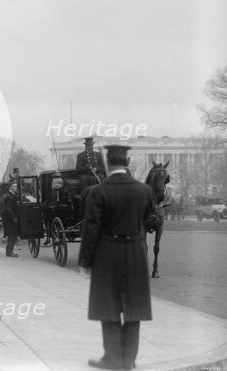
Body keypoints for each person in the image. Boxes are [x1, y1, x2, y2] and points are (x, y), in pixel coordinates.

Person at [78, 145, 155, 371]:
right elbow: (151, 219)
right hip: (135, 254)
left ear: (108, 164)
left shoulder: (98, 192)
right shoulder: (144, 191)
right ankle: (128, 360)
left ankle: (112, 358)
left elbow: (91, 229)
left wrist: (85, 262)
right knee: (134, 309)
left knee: (108, 307)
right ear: (128, 161)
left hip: (106, 255)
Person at [0, 182, 20, 257]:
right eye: (14, 186)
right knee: (12, 235)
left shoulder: (11, 195)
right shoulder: (9, 196)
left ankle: (9, 251)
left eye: (16, 186)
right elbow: (8, 209)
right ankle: (9, 252)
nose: (16, 188)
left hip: (10, 219)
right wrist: (14, 218)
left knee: (12, 235)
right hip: (10, 220)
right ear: (10, 187)